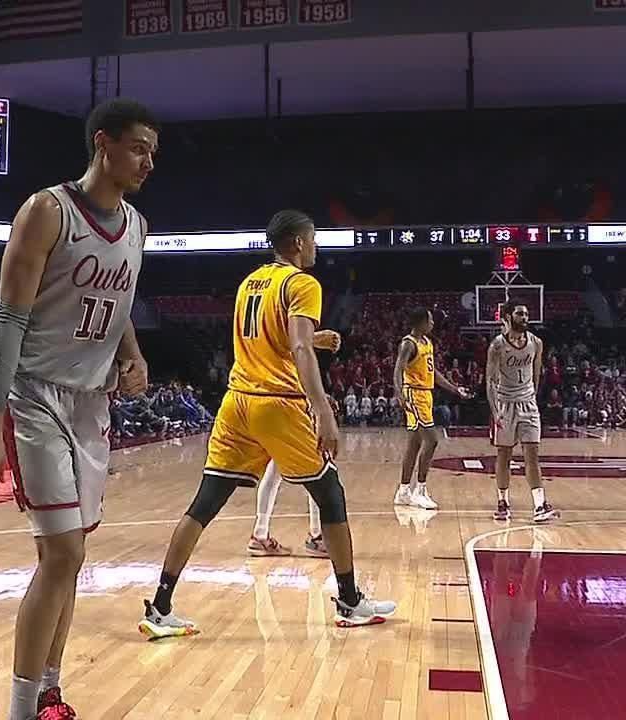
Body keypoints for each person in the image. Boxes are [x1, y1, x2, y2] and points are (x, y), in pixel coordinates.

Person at [0, 98, 158, 720]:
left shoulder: (138, 226)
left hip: (90, 403)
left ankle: (50, 691)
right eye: (138, 148)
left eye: (153, 152)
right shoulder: (48, 211)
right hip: (35, 393)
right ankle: (23, 707)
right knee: (64, 554)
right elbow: (8, 316)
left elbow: (121, 302)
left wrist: (134, 355)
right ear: (102, 143)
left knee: (69, 556)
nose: (147, 161)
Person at [139, 209, 397, 642]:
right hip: (278, 403)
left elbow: (269, 337)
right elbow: (295, 344)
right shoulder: (302, 283)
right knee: (330, 495)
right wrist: (323, 408)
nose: (316, 246)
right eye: (313, 239)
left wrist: (316, 339)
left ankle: (161, 606)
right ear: (297, 243)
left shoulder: (250, 283)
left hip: (237, 401)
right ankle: (350, 601)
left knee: (204, 503)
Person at [247, 328, 343, 559]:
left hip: (266, 403)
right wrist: (318, 339)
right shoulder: (284, 321)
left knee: (274, 471)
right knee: (319, 471)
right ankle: (317, 536)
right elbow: (283, 343)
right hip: (281, 405)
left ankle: (260, 535)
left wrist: (317, 399)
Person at [393, 308, 473, 510]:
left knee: (414, 444)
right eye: (430, 320)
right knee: (432, 440)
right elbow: (398, 369)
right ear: (420, 323)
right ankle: (420, 490)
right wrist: (399, 393)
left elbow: (433, 372)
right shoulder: (408, 344)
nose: (433, 323)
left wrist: (455, 389)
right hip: (414, 394)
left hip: (426, 394)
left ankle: (403, 491)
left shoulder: (427, 343)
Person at [485, 303, 558, 522]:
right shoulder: (497, 345)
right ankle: (503, 502)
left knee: (532, 455)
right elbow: (489, 380)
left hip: (528, 403)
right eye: (520, 313)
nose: (525, 316)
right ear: (509, 316)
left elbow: (536, 374)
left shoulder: (536, 342)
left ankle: (539, 505)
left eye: (527, 313)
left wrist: (532, 397)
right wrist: (494, 410)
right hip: (505, 403)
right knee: (504, 455)